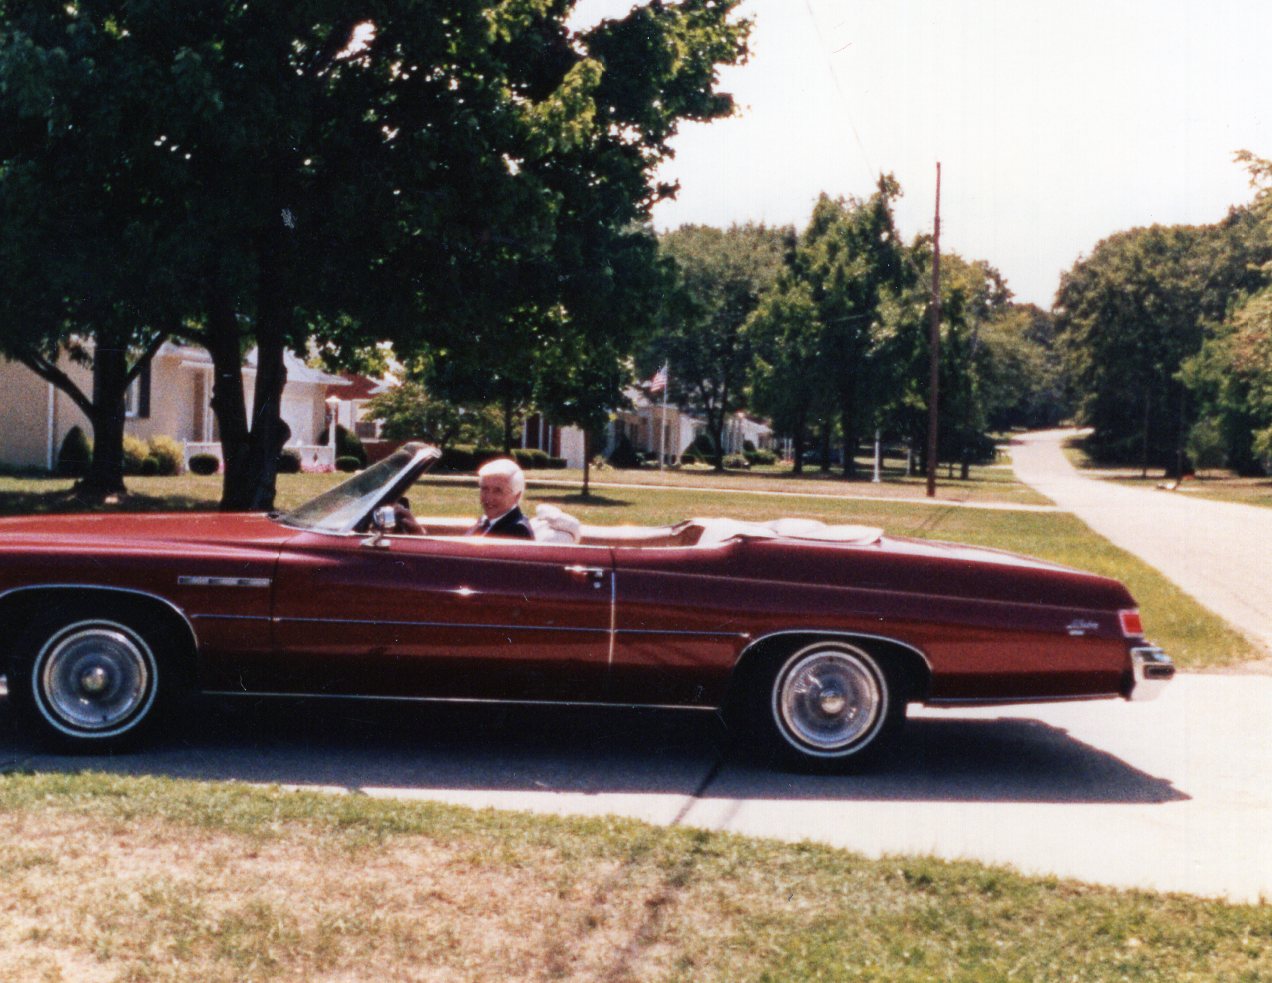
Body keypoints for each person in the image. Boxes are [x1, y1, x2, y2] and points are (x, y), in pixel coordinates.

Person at [466, 458, 534, 540]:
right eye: (485, 489)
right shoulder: (484, 522)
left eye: (498, 491)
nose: (489, 497)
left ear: (517, 496)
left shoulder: (517, 530)